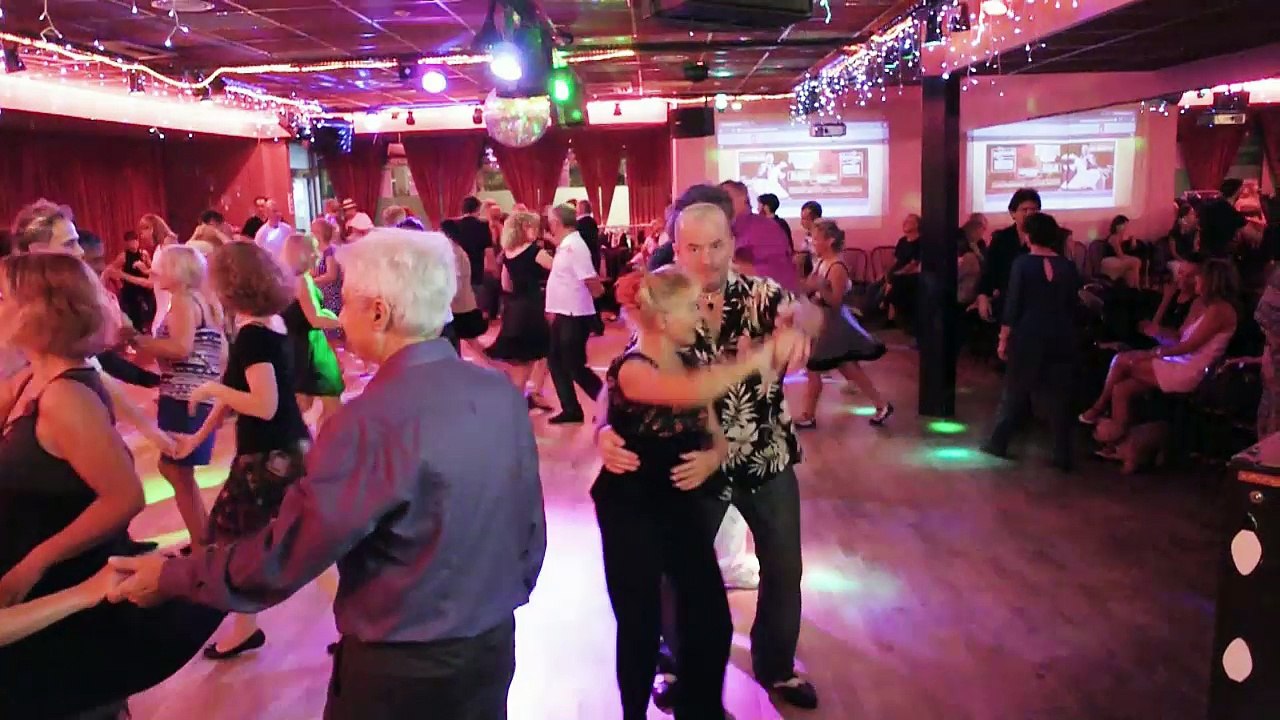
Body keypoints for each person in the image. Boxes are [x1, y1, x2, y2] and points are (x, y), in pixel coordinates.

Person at [109, 228, 548, 720]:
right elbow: (529, 530)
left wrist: (174, 575)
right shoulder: (498, 393)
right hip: (491, 644)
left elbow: (287, 554)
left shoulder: (370, 422)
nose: (339, 315)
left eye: (349, 303)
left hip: (401, 669)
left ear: (379, 312)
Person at [597, 202, 821, 710]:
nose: (706, 258)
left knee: (784, 566)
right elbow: (628, 377)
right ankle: (681, 666)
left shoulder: (760, 294)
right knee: (682, 572)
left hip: (765, 452)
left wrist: (803, 323)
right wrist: (604, 429)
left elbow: (807, 312)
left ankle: (776, 667)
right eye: (693, 247)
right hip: (695, 461)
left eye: (716, 245)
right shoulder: (669, 300)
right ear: (675, 248)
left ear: (731, 243)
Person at [0, 253, 222, 718]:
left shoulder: (66, 396)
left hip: (62, 579)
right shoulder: (30, 382)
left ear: (36, 312)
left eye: (3, 297)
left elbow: (125, 497)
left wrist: (36, 561)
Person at [167, 242, 310, 659]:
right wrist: (197, 437)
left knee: (229, 540)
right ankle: (244, 625)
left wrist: (211, 387)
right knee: (251, 538)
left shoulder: (252, 335)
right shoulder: (269, 324)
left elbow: (262, 405)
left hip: (269, 455)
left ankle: (240, 624)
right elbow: (239, 394)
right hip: (284, 447)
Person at [127, 245, 226, 549]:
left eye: (161, 266)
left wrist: (137, 340)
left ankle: (202, 545)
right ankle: (203, 539)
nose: (155, 272)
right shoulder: (204, 300)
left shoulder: (183, 300)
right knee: (178, 471)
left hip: (185, 395)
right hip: (192, 392)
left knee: (175, 469)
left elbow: (180, 348)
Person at [1080, 258, 1239, 435]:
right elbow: (1180, 337)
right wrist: (1158, 332)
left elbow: (1190, 347)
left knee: (1121, 360)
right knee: (1121, 390)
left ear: (1211, 281)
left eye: (1198, 278)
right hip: (1178, 360)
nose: (1195, 282)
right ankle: (1119, 445)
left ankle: (1098, 408)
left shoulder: (1221, 310)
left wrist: (1155, 353)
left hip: (1190, 370)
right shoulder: (1201, 304)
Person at [980, 214, 1081, 470]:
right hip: (1062, 334)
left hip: (1029, 335)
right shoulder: (1067, 267)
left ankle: (999, 442)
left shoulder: (1022, 264)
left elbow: (1013, 305)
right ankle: (1062, 453)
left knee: (1015, 389)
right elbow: (1073, 305)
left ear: (1029, 235)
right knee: (1060, 395)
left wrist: (1003, 339)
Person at [794, 219, 891, 428]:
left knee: (815, 368)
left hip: (832, 326)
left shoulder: (837, 266)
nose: (813, 243)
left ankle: (808, 415)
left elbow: (836, 301)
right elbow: (808, 288)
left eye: (816, 239)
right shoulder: (820, 262)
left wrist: (820, 287)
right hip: (821, 323)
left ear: (829, 241)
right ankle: (881, 404)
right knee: (848, 368)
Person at [486, 212, 554, 410]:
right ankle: (522, 400)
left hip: (514, 308)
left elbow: (506, 285)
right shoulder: (534, 251)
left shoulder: (508, 253)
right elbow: (557, 269)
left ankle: (530, 395)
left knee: (531, 356)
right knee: (535, 354)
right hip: (532, 307)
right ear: (524, 228)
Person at [545, 203, 605, 424]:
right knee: (557, 362)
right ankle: (571, 408)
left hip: (574, 315)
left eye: (550, 221)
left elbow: (589, 279)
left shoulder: (574, 247)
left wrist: (599, 298)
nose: (549, 225)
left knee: (575, 366)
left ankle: (610, 405)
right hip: (564, 314)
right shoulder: (567, 245)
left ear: (557, 222)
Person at [281, 233, 345, 430]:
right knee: (329, 406)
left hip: (300, 343)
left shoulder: (294, 279)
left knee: (305, 404)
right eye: (313, 249)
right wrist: (345, 322)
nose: (318, 254)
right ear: (304, 254)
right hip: (308, 345)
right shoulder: (302, 280)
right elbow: (315, 319)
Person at [719, 180, 798, 292]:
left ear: (744, 200)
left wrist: (730, 269)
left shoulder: (766, 229)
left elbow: (777, 273)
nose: (721, 204)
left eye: (726, 199)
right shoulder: (723, 229)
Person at [975, 189, 1041, 322]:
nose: (1029, 214)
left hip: (1037, 300)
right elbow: (989, 272)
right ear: (1013, 213)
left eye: (1034, 209)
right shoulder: (1001, 238)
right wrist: (982, 297)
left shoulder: (1046, 239)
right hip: (1006, 298)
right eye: (1024, 209)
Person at [439, 218, 490, 358]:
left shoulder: (454, 252)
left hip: (460, 306)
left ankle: (490, 368)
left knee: (470, 343)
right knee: (466, 343)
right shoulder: (455, 250)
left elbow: (457, 281)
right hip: (462, 303)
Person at [457, 196, 499, 320]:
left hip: (459, 270)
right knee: (478, 303)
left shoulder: (455, 225)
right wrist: (493, 269)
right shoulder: (482, 225)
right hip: (477, 269)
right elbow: (488, 250)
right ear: (477, 209)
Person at [1199, 178, 1247, 258]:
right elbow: (1251, 234)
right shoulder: (1232, 213)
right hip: (1222, 255)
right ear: (1237, 192)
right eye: (1242, 191)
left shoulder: (1208, 206)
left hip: (1205, 253)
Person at [1099, 214, 1142, 288]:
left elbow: (1128, 252)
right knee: (1136, 261)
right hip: (1109, 260)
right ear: (1118, 226)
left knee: (1130, 272)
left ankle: (1131, 289)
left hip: (1117, 259)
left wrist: (1132, 243)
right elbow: (1120, 254)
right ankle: (1137, 287)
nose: (1125, 228)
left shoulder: (1121, 237)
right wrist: (1129, 258)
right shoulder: (1114, 238)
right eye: (1124, 225)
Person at [576, 199, 602, 273]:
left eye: (577, 208)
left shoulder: (578, 224)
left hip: (583, 262)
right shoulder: (592, 222)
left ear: (581, 209)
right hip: (594, 259)